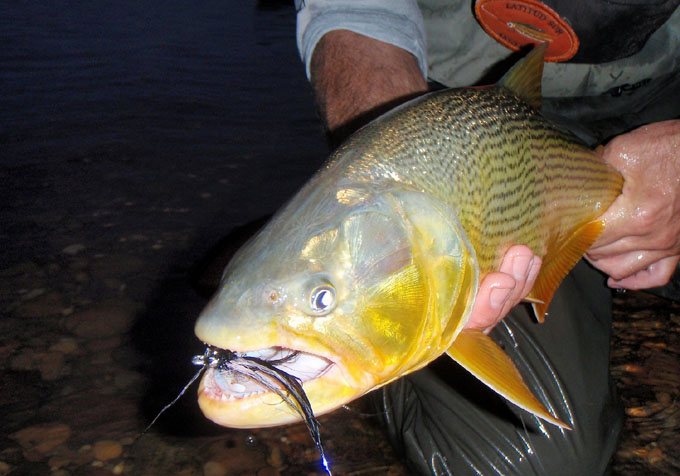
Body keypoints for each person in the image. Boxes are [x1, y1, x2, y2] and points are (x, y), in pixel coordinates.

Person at [295, 1, 680, 474]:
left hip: (670, 87)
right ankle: (380, 316)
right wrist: (388, 177)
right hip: (455, 114)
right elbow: (361, 14)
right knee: (534, 462)